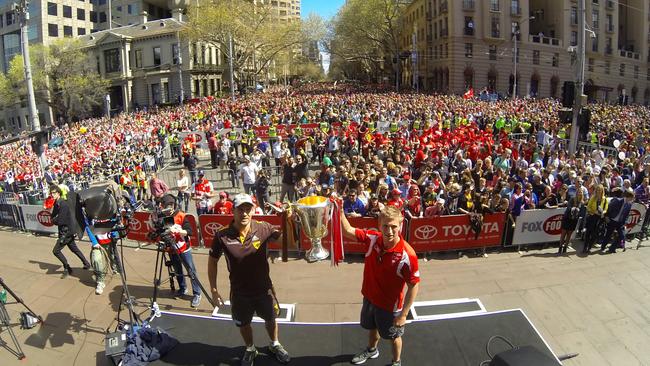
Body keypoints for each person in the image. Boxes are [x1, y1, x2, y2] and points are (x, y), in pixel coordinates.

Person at [207, 194, 291, 366]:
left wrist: (288, 221)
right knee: (243, 323)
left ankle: (274, 344)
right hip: (239, 293)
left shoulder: (264, 228)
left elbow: (288, 243)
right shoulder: (221, 235)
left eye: (248, 209)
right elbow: (213, 261)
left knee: (271, 319)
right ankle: (250, 348)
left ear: (253, 210)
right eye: (240, 209)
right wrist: (214, 290)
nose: (244, 213)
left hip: (264, 290)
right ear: (233, 211)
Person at [340, 205, 420, 366]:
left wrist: (403, 314)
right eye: (385, 226)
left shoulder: (407, 255)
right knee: (372, 327)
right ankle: (371, 350)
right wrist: (340, 210)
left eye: (393, 227)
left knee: (394, 336)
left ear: (401, 225)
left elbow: (414, 285)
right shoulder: (373, 239)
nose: (389, 231)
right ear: (379, 224)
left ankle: (396, 362)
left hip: (390, 307)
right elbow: (348, 230)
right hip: (369, 298)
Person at [159, 194, 202, 307]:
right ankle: (183, 288)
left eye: (170, 205)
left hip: (184, 248)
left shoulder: (181, 215)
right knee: (177, 270)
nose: (168, 208)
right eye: (166, 206)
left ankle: (197, 293)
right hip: (172, 249)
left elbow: (190, 231)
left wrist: (178, 231)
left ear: (174, 205)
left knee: (191, 271)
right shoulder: (164, 217)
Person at [50, 185, 91, 278]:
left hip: (66, 232)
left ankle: (67, 268)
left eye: (54, 193)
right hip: (66, 231)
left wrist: (54, 220)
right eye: (51, 193)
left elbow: (61, 220)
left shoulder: (63, 204)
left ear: (58, 193)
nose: (52, 195)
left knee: (56, 251)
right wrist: (55, 219)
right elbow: (54, 216)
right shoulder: (56, 203)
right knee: (74, 249)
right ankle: (86, 263)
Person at [600, 189, 635, 253]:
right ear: (628, 197)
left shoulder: (629, 205)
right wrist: (607, 216)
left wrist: (625, 223)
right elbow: (610, 207)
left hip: (620, 222)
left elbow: (627, 215)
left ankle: (612, 248)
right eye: (632, 198)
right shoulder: (618, 201)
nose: (632, 200)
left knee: (622, 235)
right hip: (612, 220)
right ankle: (603, 247)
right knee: (608, 235)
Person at [558, 188, 585, 255]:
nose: (580, 193)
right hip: (567, 218)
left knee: (569, 235)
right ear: (576, 193)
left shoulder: (582, 202)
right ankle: (560, 247)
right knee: (563, 234)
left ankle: (565, 248)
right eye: (579, 192)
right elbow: (568, 208)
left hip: (574, 220)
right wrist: (573, 209)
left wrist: (578, 212)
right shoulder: (572, 199)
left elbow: (582, 213)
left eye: (581, 192)